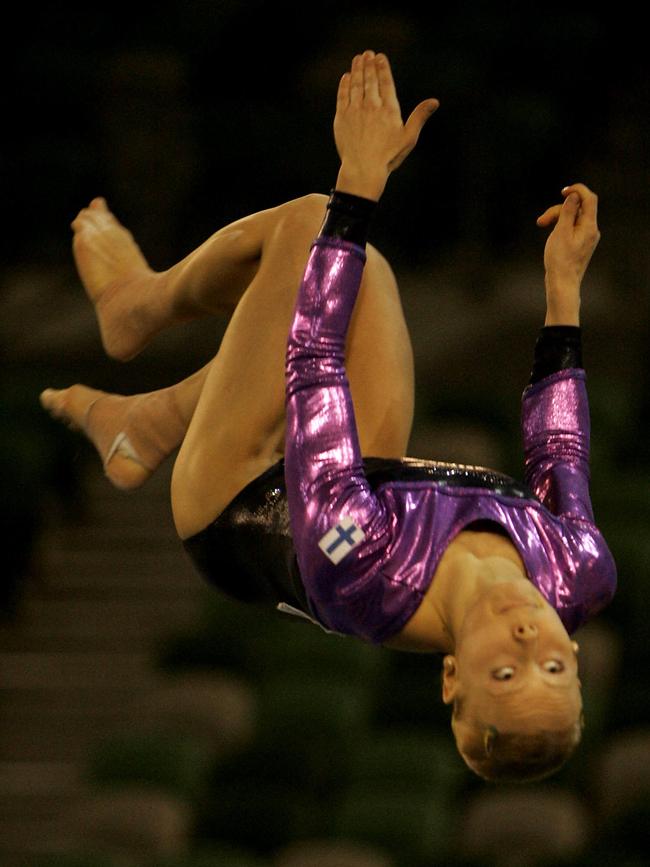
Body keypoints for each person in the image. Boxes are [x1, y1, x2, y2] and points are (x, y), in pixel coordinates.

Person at [41, 51, 616, 783]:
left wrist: (360, 182)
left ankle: (135, 311)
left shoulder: (367, 569)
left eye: (505, 673)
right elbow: (558, 447)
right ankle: (153, 419)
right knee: (366, 271)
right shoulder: (580, 573)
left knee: (314, 225)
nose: (531, 635)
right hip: (365, 476)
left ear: (451, 680)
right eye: (556, 662)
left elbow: (312, 359)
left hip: (233, 499)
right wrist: (563, 289)